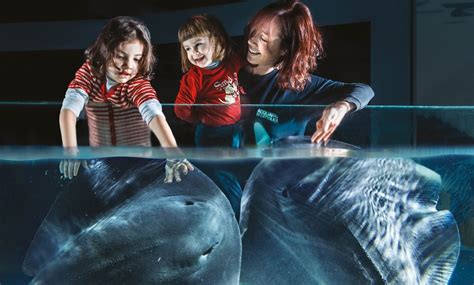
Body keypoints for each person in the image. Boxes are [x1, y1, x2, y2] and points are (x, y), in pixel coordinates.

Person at [59, 16, 193, 182]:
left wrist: (174, 154)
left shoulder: (137, 84)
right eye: (121, 56)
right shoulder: (89, 73)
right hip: (101, 164)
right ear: (104, 51)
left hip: (138, 166)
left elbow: (154, 114)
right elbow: (69, 110)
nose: (128, 65)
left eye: (137, 59)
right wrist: (71, 150)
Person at [239, 0, 374, 146]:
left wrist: (342, 106)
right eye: (253, 30)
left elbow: (364, 90)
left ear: (285, 48)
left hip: (277, 167)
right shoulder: (229, 69)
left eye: (264, 39)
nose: (251, 41)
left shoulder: (298, 85)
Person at [174, 14, 244, 148]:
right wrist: (199, 119)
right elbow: (180, 110)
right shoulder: (193, 78)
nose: (193, 52)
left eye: (198, 44)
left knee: (236, 164)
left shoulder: (231, 62)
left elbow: (251, 62)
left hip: (236, 127)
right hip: (211, 132)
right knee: (211, 167)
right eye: (187, 48)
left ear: (218, 40)